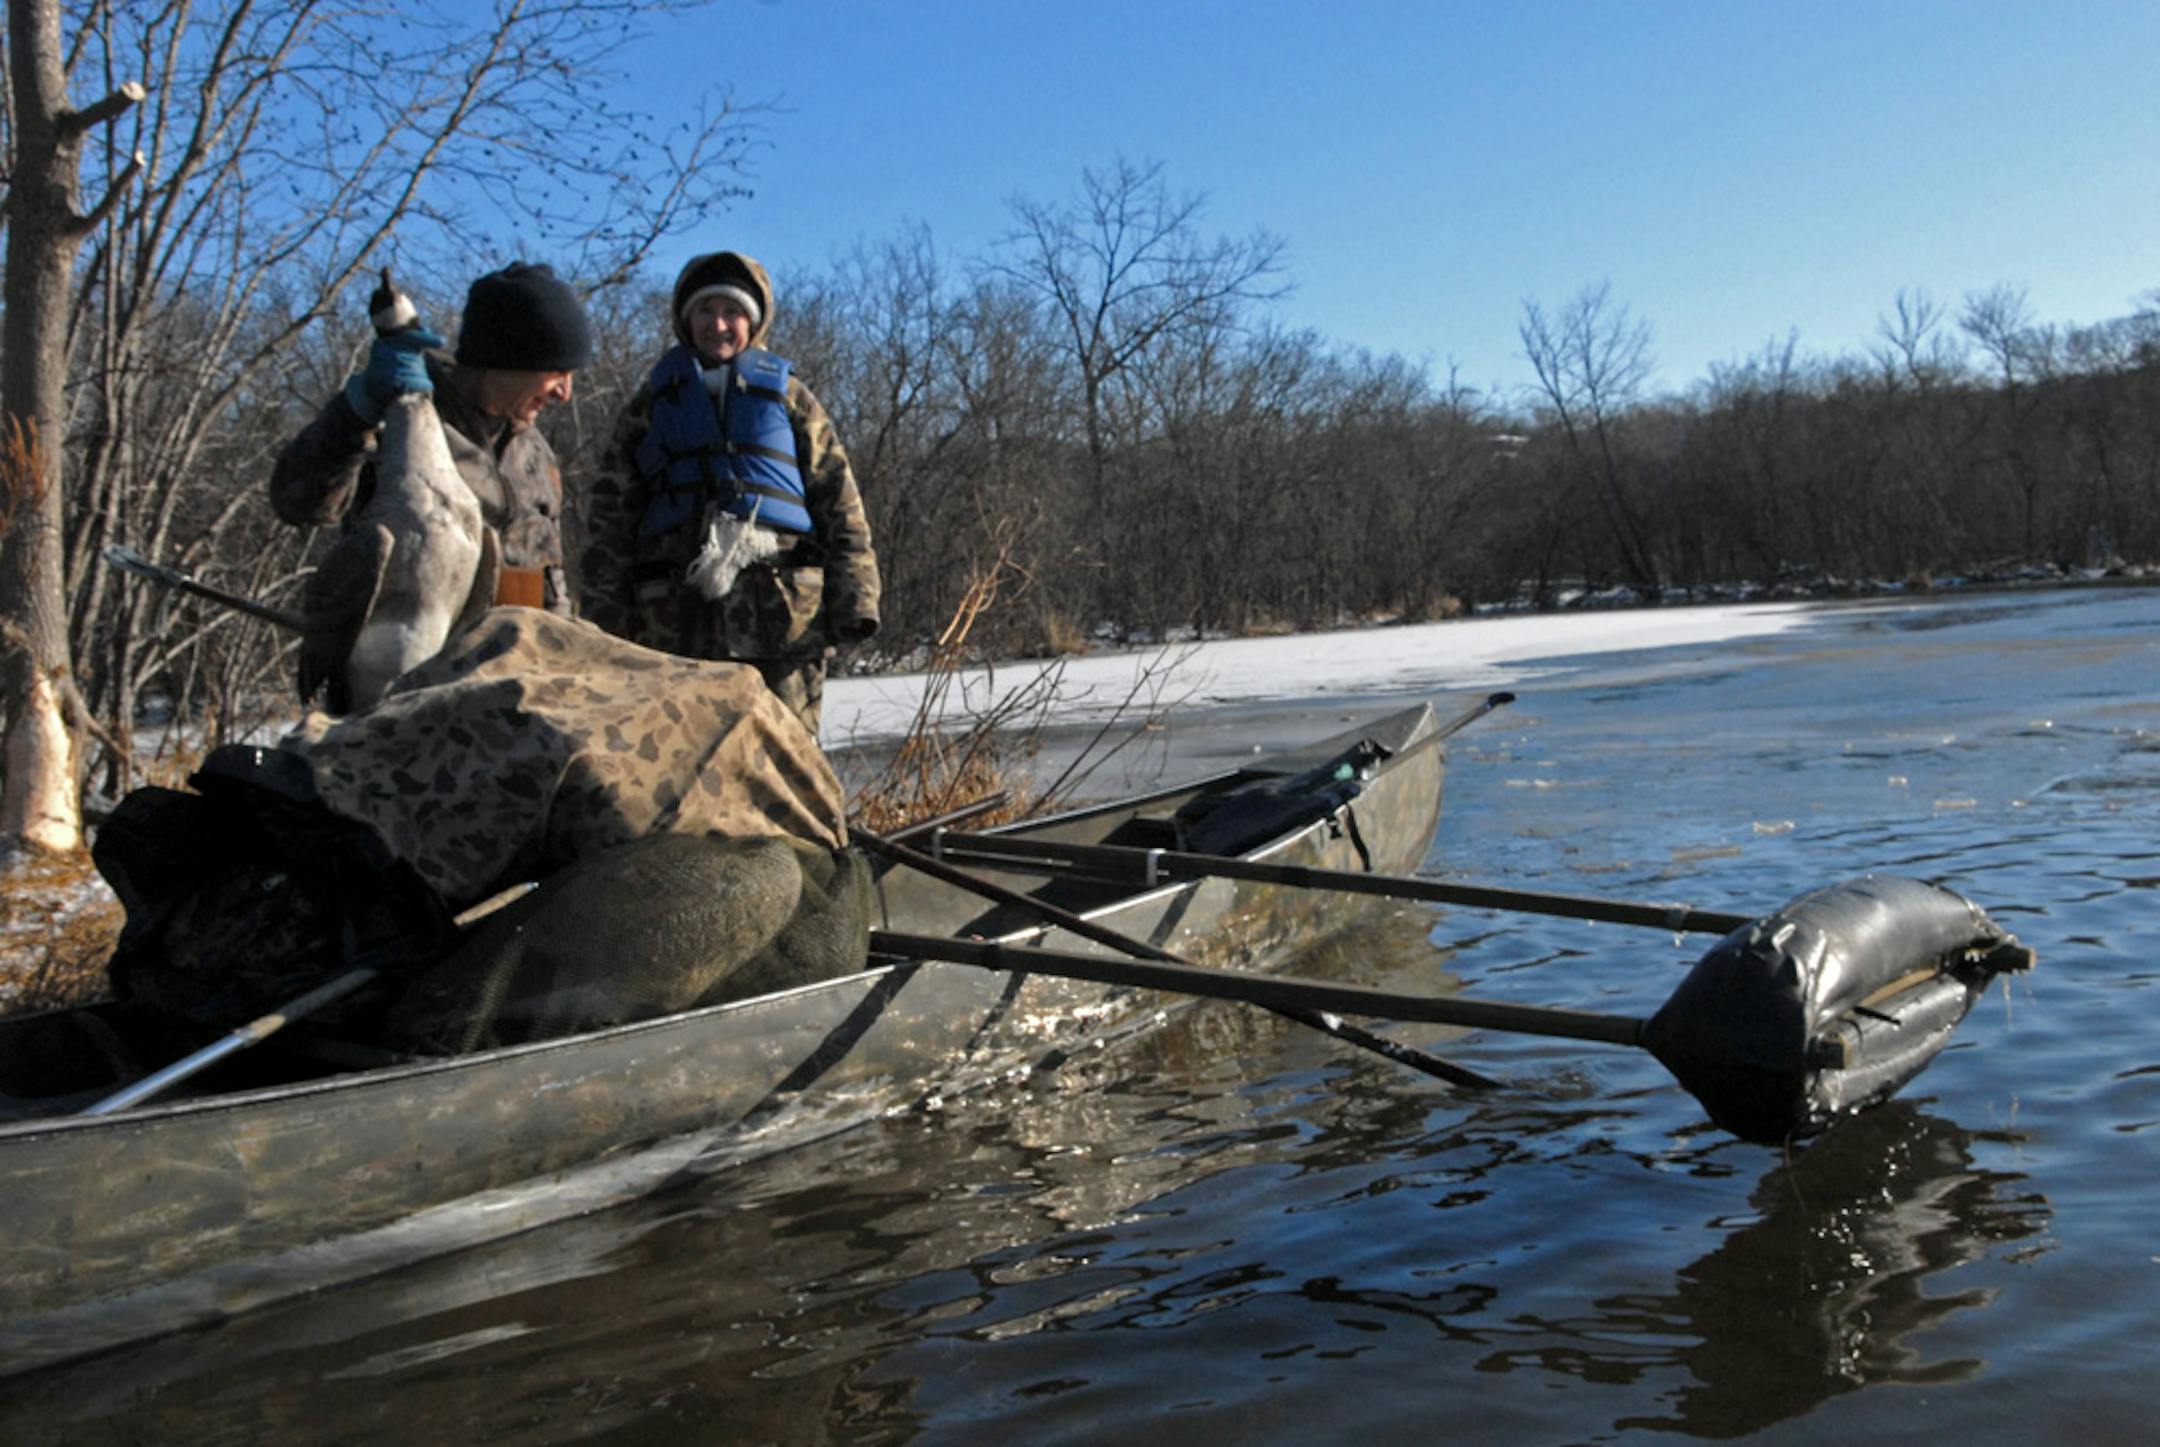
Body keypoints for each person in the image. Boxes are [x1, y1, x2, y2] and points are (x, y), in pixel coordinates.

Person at [579, 251, 880, 735]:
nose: (718, 324)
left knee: (787, 762)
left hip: (781, 623)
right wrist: (602, 619)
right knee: (680, 759)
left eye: (732, 312)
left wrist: (856, 598)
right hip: (673, 626)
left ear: (753, 321)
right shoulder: (649, 407)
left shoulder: (791, 398)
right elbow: (609, 519)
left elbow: (839, 500)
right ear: (685, 318)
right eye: (705, 310)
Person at [270, 261, 593, 616]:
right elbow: (297, 503)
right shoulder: (400, 421)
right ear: (506, 358)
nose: (565, 393)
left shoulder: (535, 453)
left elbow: (550, 580)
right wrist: (354, 413)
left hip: (516, 662)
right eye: (557, 372)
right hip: (406, 661)